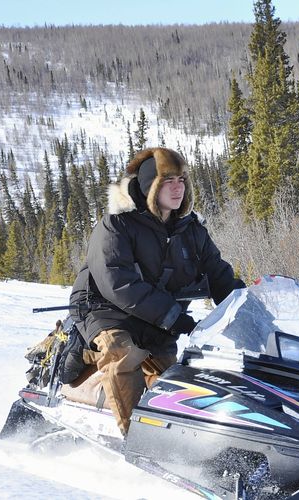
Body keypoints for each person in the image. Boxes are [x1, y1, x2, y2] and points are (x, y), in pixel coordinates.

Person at [69, 147, 244, 435]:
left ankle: (185, 439)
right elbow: (118, 283)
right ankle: (137, 440)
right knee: (122, 354)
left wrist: (248, 309)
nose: (178, 188)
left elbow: (218, 274)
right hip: (103, 308)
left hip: (156, 316)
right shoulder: (118, 223)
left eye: (182, 180)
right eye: (168, 181)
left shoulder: (191, 230)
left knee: (173, 381)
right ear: (151, 186)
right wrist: (173, 316)